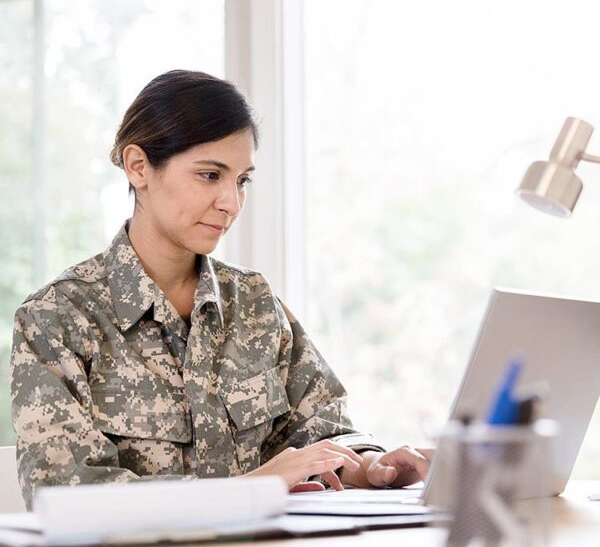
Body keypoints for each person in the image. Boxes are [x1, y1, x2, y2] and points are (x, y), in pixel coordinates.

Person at [11, 70, 430, 510]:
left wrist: (372, 466)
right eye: (210, 175)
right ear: (138, 167)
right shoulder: (56, 317)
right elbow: (63, 494)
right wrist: (244, 491)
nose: (231, 202)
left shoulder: (254, 302)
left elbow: (321, 429)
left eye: (242, 180)